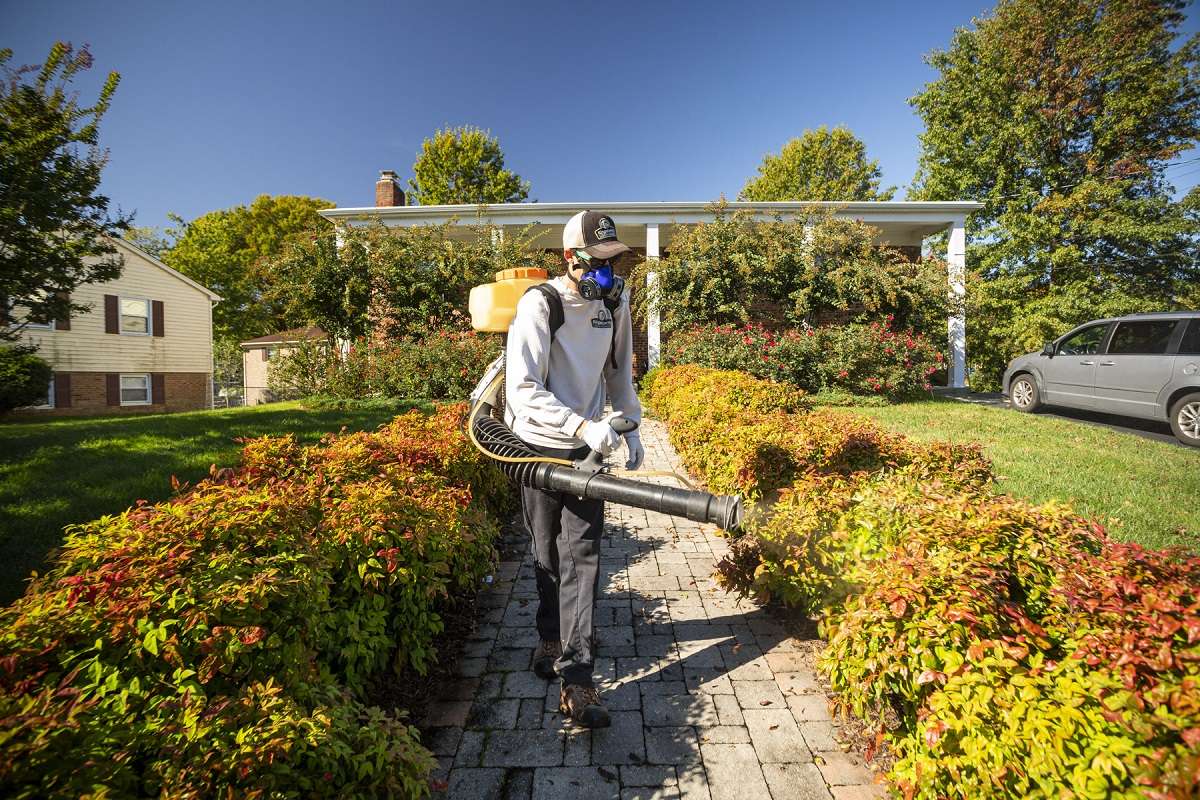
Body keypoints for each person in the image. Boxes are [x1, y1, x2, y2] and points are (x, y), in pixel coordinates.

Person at [504, 210, 644, 728]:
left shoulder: (616, 298)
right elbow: (522, 388)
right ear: (570, 259)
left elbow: (619, 368)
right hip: (537, 445)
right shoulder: (542, 304)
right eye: (597, 265)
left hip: (587, 451)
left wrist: (629, 424)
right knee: (546, 554)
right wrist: (582, 426)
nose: (607, 276)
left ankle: (578, 681)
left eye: (615, 263)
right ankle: (550, 633)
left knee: (582, 555)